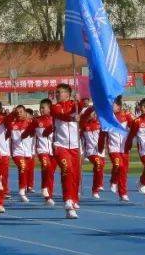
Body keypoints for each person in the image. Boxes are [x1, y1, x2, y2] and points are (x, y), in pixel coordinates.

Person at [51, 83, 83, 219]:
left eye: (61, 92)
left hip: (75, 146)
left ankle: (73, 200)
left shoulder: (74, 104)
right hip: (60, 145)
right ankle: (68, 200)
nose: (58, 94)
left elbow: (80, 110)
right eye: (57, 92)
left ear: (68, 94)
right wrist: (72, 117)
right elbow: (62, 116)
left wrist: (79, 102)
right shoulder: (55, 107)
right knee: (67, 169)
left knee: (76, 175)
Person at [103, 96, 132, 201]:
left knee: (123, 171)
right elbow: (103, 134)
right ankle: (113, 180)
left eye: (113, 105)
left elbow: (134, 126)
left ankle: (123, 193)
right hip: (113, 147)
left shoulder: (126, 116)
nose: (111, 106)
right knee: (118, 165)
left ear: (119, 106)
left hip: (124, 148)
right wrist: (100, 147)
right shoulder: (107, 118)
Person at [8, 105, 36, 202]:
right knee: (23, 167)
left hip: (28, 153)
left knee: (24, 171)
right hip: (17, 152)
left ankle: (23, 189)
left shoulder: (30, 123)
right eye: (17, 112)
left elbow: (34, 134)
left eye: (21, 111)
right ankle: (22, 192)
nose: (19, 113)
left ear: (25, 113)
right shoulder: (11, 124)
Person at [31, 99, 56, 205]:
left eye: (43, 107)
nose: (41, 110)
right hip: (42, 150)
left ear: (49, 109)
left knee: (50, 173)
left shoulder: (55, 120)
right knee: (47, 166)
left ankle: (48, 195)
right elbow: (29, 131)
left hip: (54, 151)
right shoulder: (36, 121)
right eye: (40, 107)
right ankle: (46, 191)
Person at [80, 106, 106, 199]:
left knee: (100, 167)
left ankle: (98, 185)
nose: (93, 114)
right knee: (98, 164)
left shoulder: (100, 123)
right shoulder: (83, 125)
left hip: (100, 151)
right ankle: (95, 190)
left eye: (95, 113)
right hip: (90, 151)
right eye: (91, 113)